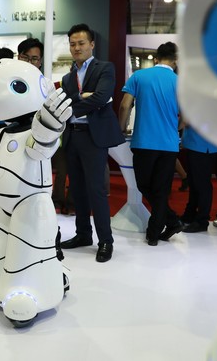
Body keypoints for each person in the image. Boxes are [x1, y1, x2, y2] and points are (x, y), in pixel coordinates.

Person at [58, 24, 124, 263]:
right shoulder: (67, 77)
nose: (76, 48)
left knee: (96, 189)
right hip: (72, 135)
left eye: (81, 43)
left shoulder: (105, 68)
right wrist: (86, 97)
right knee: (76, 189)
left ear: (92, 44)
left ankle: (105, 240)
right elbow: (90, 100)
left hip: (93, 137)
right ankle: (83, 234)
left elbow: (101, 97)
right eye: (73, 44)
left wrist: (79, 100)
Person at [118, 42, 184, 246]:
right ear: (175, 60)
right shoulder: (181, 83)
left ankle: (159, 229)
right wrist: (175, 129)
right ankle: (165, 226)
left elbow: (124, 105)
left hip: (143, 141)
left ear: (156, 58)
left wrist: (120, 129)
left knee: (144, 185)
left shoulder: (138, 76)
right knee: (161, 189)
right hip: (169, 144)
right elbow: (188, 117)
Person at [179, 125, 217, 233]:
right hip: (195, 142)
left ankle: (202, 220)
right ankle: (190, 214)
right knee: (194, 182)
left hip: (203, 144)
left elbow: (187, 120)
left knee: (202, 184)